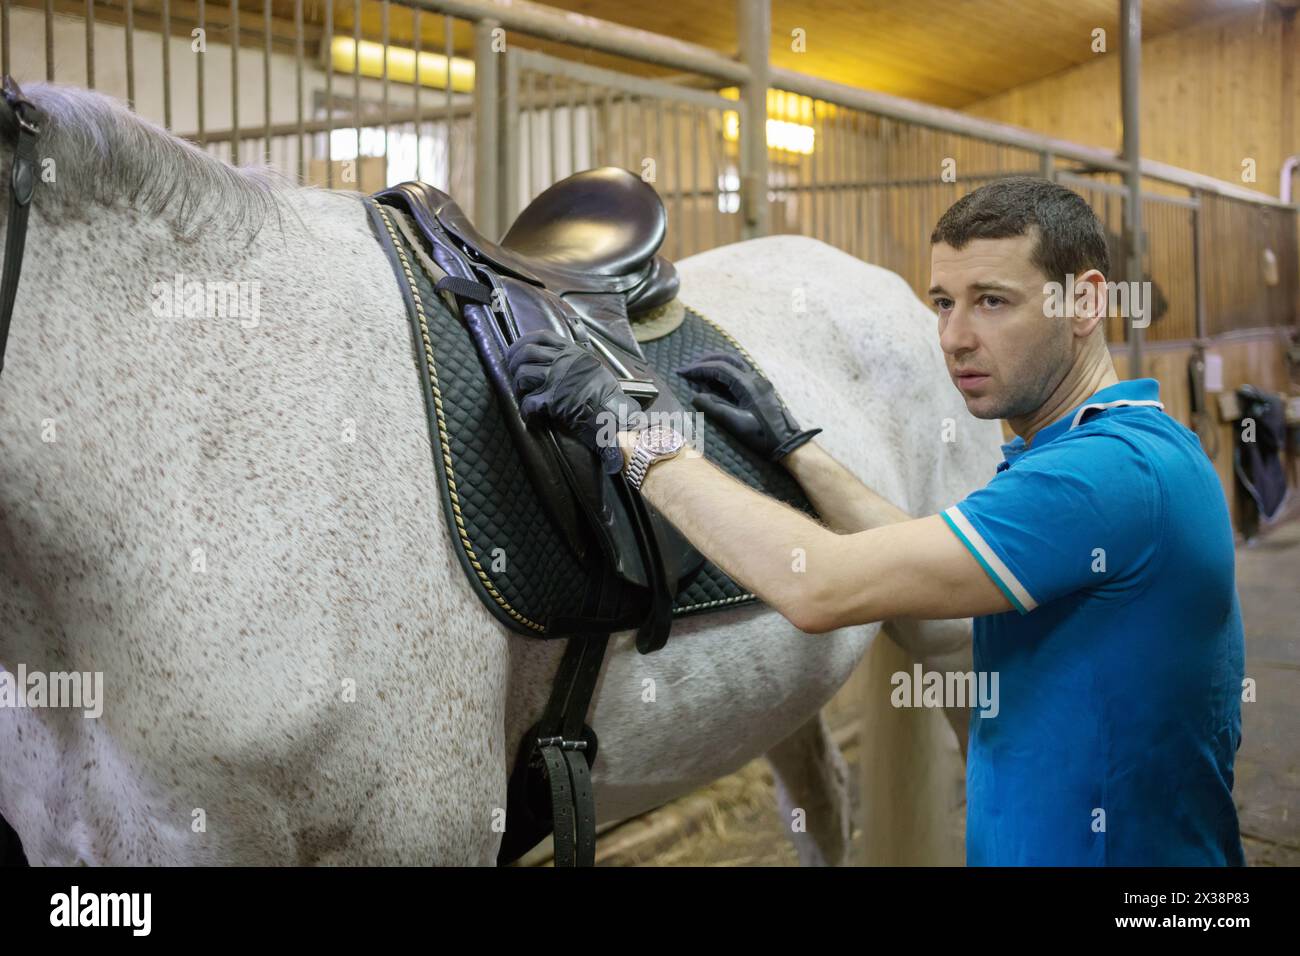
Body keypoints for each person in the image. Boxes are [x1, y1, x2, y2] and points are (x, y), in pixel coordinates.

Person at [503, 176, 1245, 866]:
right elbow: (918, 582)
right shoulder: (1080, 453)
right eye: (943, 302)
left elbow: (819, 588)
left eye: (992, 301)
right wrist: (796, 451)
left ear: (1085, 304)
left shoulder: (1104, 478)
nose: (952, 338)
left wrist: (629, 433)